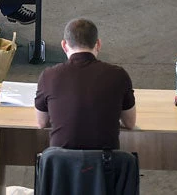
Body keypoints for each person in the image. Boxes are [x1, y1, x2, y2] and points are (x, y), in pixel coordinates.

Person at [35, 18, 136, 150]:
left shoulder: (48, 76)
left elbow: (41, 123)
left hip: (62, 167)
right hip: (105, 166)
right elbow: (130, 123)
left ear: (64, 45)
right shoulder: (118, 75)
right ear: (98, 44)